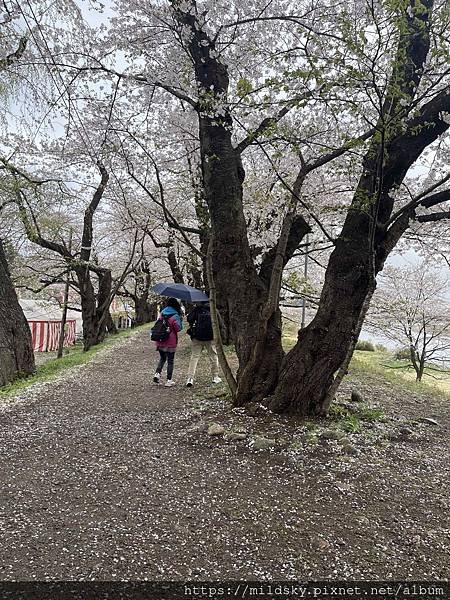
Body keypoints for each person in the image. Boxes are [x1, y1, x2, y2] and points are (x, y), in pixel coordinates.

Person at [186, 301, 222, 387]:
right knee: (213, 356)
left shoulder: (197, 309)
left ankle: (190, 378)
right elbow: (220, 323)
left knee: (194, 357)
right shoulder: (213, 309)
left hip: (197, 337)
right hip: (210, 337)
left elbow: (189, 319)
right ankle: (215, 376)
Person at [153, 297, 183, 387]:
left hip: (161, 340)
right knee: (170, 361)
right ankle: (169, 380)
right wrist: (180, 320)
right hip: (170, 341)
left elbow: (158, 324)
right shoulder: (175, 315)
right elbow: (178, 328)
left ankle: (157, 374)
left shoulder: (162, 313)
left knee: (162, 358)